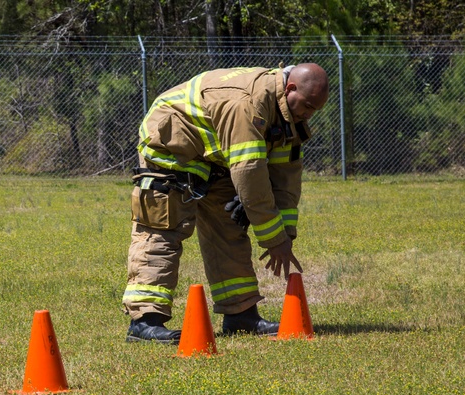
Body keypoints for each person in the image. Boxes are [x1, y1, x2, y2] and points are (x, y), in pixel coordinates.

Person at [122, 63, 329, 344]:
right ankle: (145, 321)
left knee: (229, 227)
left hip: (214, 156)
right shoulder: (249, 104)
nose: (308, 114)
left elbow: (286, 178)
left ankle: (240, 314)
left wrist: (285, 234)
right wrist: (272, 238)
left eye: (314, 110)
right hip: (171, 146)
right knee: (163, 229)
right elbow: (248, 170)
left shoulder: (286, 113)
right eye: (306, 106)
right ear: (290, 88)